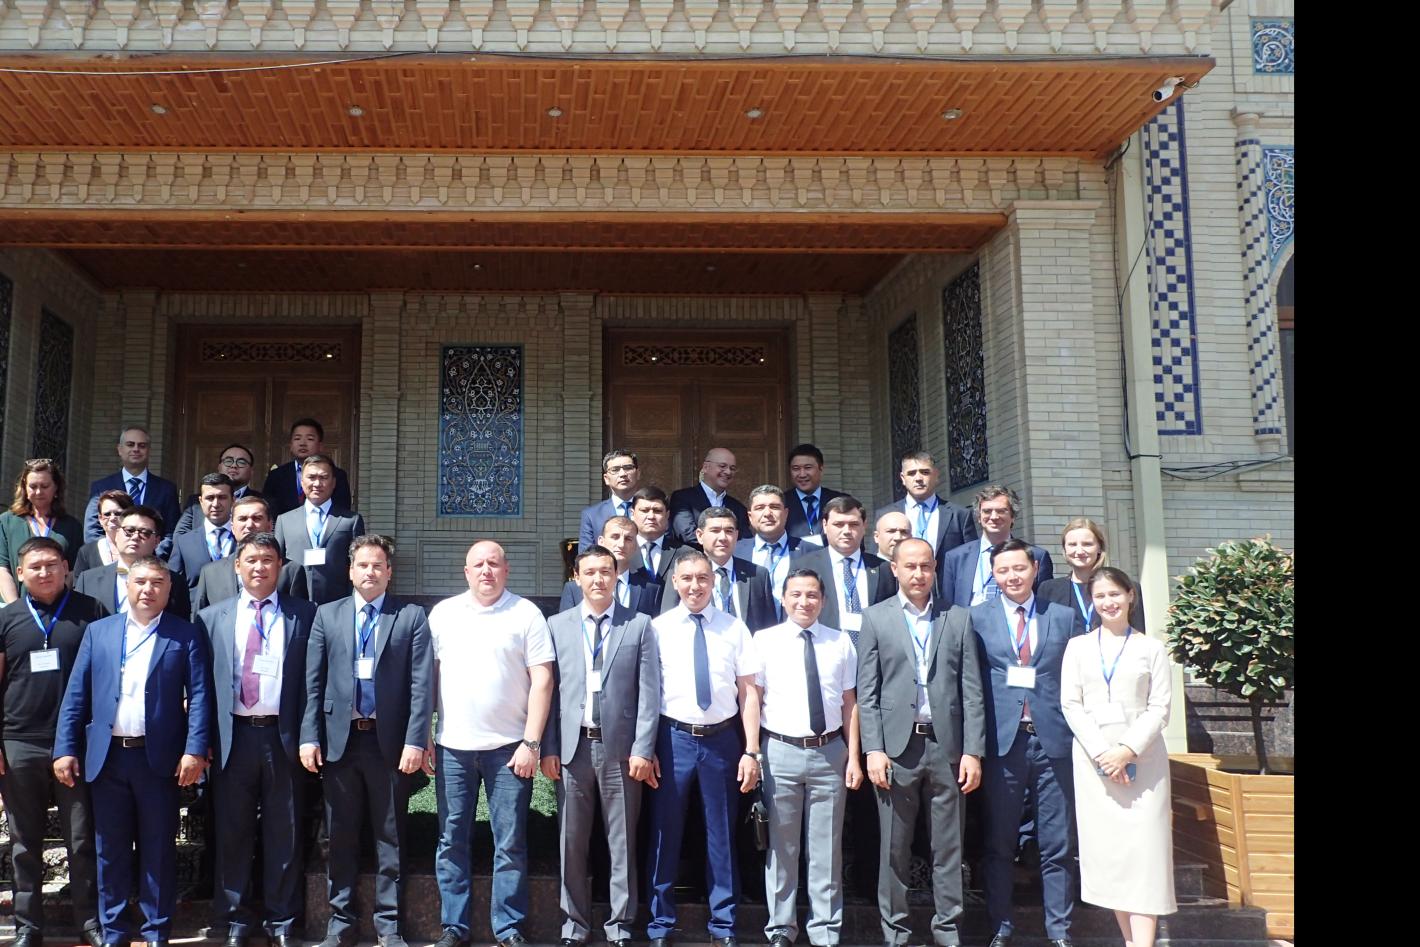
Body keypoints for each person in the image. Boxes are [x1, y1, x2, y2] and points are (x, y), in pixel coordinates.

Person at [52, 555, 211, 947]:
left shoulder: (184, 634)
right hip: (108, 757)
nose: (148, 590)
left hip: (158, 759)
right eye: (140, 582)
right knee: (110, 849)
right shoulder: (100, 632)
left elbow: (200, 696)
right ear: (127, 585)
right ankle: (115, 929)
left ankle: (156, 930)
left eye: (157, 583)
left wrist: (194, 750)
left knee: (159, 848)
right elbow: (76, 695)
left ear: (169, 590)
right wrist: (64, 748)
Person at [301, 535, 431, 947]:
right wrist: (309, 736)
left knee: (390, 837)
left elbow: (421, 685)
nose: (370, 572)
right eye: (363, 565)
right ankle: (340, 922)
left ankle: (388, 925)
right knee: (339, 836)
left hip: (388, 745)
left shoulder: (410, 617)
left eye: (378, 565)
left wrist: (415, 740)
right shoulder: (327, 615)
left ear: (389, 572)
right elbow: (313, 682)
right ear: (350, 571)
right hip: (339, 744)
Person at [856, 537, 985, 947]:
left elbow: (972, 691)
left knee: (948, 848)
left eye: (925, 566)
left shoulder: (957, 618)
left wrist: (973, 751)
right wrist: (873, 749)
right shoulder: (876, 618)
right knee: (894, 850)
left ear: (934, 569)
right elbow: (867, 692)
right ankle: (895, 932)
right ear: (894, 568)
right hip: (897, 750)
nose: (918, 574)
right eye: (910, 566)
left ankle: (948, 931)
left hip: (947, 748)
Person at [426, 541, 554, 947]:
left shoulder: (526, 613)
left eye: (494, 563)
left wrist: (531, 743)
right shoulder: (443, 614)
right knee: (451, 839)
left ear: (506, 569)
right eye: (478, 564)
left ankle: (509, 927)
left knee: (510, 841)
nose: (486, 570)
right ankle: (454, 926)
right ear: (466, 572)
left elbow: (543, 680)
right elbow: (428, 679)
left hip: (509, 749)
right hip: (453, 746)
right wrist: (424, 734)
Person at [195, 532, 318, 947]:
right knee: (232, 833)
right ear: (237, 566)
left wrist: (308, 736)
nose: (259, 567)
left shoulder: (305, 615)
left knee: (285, 831)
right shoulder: (212, 618)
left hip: (283, 738)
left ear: (280, 566)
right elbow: (201, 687)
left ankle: (282, 920)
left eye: (268, 559)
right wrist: (202, 741)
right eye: (251, 560)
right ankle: (234, 920)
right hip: (233, 738)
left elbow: (313, 685)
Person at [540, 545, 660, 947]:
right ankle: (573, 926)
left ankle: (621, 926)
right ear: (576, 578)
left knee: (622, 842)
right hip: (572, 750)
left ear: (616, 576)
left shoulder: (639, 625)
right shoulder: (556, 625)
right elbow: (550, 692)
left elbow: (649, 694)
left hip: (620, 752)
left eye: (605, 572)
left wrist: (643, 749)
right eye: (589, 572)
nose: (598, 579)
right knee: (571, 843)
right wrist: (548, 747)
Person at [645, 548, 763, 947]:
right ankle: (660, 924)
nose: (695, 586)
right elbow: (648, 694)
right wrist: (647, 747)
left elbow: (749, 692)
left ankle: (723, 924)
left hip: (723, 740)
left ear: (714, 582)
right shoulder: (658, 629)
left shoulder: (734, 628)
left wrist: (751, 750)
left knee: (721, 834)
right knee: (665, 832)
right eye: (687, 578)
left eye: (702, 578)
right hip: (672, 739)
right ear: (675, 582)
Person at [1059, 568, 1176, 947]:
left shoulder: (1151, 648)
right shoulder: (1077, 647)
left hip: (1144, 764)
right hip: (1095, 766)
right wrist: (1103, 755)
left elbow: (1160, 708)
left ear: (1130, 596)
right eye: (1100, 596)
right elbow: (1071, 704)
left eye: (1115, 594)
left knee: (1145, 855)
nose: (1108, 602)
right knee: (1113, 858)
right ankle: (1130, 941)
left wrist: (1126, 750)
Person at [972, 539, 1080, 947]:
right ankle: (1000, 926)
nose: (1012, 577)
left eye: (1019, 568)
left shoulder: (1063, 617)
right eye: (1003, 571)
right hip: (1003, 743)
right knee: (999, 842)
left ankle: (1060, 930)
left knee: (1057, 843)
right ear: (993, 575)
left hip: (1053, 742)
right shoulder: (976, 618)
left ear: (1034, 569)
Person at [0, 538, 107, 947]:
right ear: (20, 573)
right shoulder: (7, 618)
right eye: (35, 567)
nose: (44, 573)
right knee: (24, 842)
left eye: (51, 565)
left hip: (76, 743)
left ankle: (89, 922)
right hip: (19, 741)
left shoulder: (91, 611)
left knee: (81, 839)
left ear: (66, 567)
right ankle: (28, 927)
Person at [755, 569, 862, 947]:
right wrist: (753, 752)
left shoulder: (840, 642)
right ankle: (781, 928)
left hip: (829, 753)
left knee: (826, 849)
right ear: (783, 599)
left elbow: (850, 703)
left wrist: (853, 756)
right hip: (779, 751)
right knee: (781, 847)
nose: (804, 602)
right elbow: (753, 699)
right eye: (796, 594)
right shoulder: (764, 641)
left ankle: (825, 930)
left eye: (812, 595)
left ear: (823, 600)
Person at [792, 496, 894, 640]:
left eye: (853, 524)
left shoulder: (883, 568)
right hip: (824, 647)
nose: (846, 531)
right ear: (825, 526)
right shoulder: (804, 566)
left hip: (873, 649)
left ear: (864, 526)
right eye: (838, 524)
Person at [658, 508, 776, 631]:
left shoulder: (757, 574)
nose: (723, 537)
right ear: (700, 535)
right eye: (715, 531)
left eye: (729, 531)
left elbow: (769, 628)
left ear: (736, 535)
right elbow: (668, 623)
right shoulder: (682, 574)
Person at [939, 485, 1054, 608]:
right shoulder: (955, 557)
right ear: (979, 517)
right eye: (987, 511)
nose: (994, 517)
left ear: (1013, 517)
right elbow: (948, 606)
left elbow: (1044, 604)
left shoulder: (1037, 556)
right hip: (969, 619)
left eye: (1001, 511)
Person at [274, 454, 366, 606]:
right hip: (293, 602)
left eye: (323, 477)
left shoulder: (351, 520)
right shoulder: (284, 520)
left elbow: (357, 564)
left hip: (337, 603)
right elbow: (277, 563)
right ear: (302, 482)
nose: (317, 483)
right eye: (311, 477)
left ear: (333, 482)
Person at [74, 506, 191, 620]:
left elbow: (181, 626)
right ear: (117, 535)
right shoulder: (88, 580)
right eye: (129, 531)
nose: (135, 537)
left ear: (156, 541)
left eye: (145, 532)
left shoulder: (175, 582)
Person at [81, 426, 182, 558]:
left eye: (142, 445)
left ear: (149, 451)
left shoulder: (166, 489)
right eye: (130, 444)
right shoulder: (101, 487)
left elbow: (171, 532)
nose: (136, 449)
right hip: (110, 562)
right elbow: (92, 530)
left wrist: (150, 556)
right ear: (120, 449)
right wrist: (112, 556)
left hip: (152, 563)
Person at [193, 495, 306, 612]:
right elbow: (200, 618)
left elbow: (301, 616)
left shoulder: (291, 571)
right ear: (232, 527)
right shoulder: (210, 573)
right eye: (242, 519)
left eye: (257, 518)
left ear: (270, 525)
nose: (249, 525)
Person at [1036, 518, 1145, 636]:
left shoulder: (1126, 587)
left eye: (1087, 544)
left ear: (1099, 548)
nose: (1079, 551)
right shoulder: (1049, 589)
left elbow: (1137, 634)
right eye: (1072, 544)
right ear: (1065, 549)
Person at [0, 459, 84, 603]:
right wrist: (16, 608)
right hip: (14, 605)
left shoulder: (71, 526)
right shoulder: (6, 522)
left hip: (57, 608)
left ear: (56, 488)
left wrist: (56, 604)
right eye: (33, 486)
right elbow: (2, 569)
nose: (39, 492)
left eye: (45, 486)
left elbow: (72, 572)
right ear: (24, 488)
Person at [873, 452, 976, 563]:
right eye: (911, 473)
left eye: (925, 472)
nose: (918, 478)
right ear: (903, 478)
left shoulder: (959, 515)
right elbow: (876, 559)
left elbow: (971, 557)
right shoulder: (885, 515)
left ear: (936, 475)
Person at [559, 516, 661, 617]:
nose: (621, 544)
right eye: (615, 537)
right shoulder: (574, 589)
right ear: (601, 542)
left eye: (628, 539)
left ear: (636, 545)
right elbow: (566, 624)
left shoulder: (650, 590)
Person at [735, 485, 805, 617]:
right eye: (760, 508)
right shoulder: (735, 551)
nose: (767, 513)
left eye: (774, 507)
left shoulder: (810, 551)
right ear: (750, 516)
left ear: (786, 513)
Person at [262, 419, 354, 518]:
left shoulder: (337, 475)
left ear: (320, 446)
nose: (302, 443)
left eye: (310, 439)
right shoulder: (276, 475)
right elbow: (268, 510)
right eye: (297, 438)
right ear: (291, 445)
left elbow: (342, 510)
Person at [668, 448, 751, 548]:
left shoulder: (739, 508)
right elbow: (686, 533)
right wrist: (718, 549)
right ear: (705, 467)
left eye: (732, 468)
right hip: (692, 556)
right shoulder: (682, 498)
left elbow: (744, 541)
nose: (728, 472)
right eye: (722, 466)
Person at [167, 473, 237, 591]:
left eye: (222, 497)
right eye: (210, 498)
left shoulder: (245, 538)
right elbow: (174, 584)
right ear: (200, 501)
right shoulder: (184, 542)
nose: (216, 504)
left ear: (233, 500)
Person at [174, 444, 262, 537]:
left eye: (241, 462)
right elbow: (180, 536)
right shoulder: (195, 502)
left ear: (251, 470)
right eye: (228, 461)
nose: (234, 465)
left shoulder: (263, 502)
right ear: (219, 467)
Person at [577, 450, 643, 553]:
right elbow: (586, 555)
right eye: (615, 470)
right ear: (606, 479)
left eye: (628, 468)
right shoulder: (592, 515)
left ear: (638, 473)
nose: (622, 474)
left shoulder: (653, 511)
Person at [782, 444, 845, 544]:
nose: (802, 474)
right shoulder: (781, 502)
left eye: (808, 468)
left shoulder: (840, 500)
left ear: (821, 469)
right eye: (796, 469)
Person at [72, 490, 134, 575]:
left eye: (118, 513)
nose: (112, 518)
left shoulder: (139, 548)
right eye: (107, 514)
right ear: (100, 519)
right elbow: (79, 582)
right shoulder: (86, 553)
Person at [630, 487, 676, 585]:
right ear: (632, 514)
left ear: (667, 515)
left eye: (657, 511)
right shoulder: (621, 552)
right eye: (644, 510)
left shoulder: (685, 554)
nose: (651, 516)